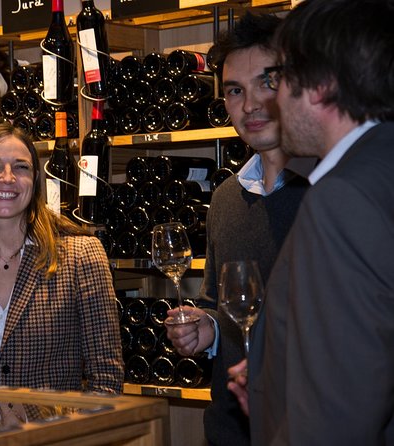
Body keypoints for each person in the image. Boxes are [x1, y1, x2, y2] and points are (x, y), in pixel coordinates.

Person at [228, 0, 394, 443]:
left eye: (280, 80)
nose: (271, 98)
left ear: (319, 86)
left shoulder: (340, 199)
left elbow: (335, 413)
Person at [165, 12, 311, 446]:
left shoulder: (330, 194)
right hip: (231, 431)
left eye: (267, 82)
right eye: (234, 91)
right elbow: (219, 302)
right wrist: (205, 328)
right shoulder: (227, 199)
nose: (250, 105)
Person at [0, 122, 124, 393]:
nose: (8, 177)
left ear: (35, 181)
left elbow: (107, 383)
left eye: (21, 167)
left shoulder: (80, 256)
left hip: (49, 433)